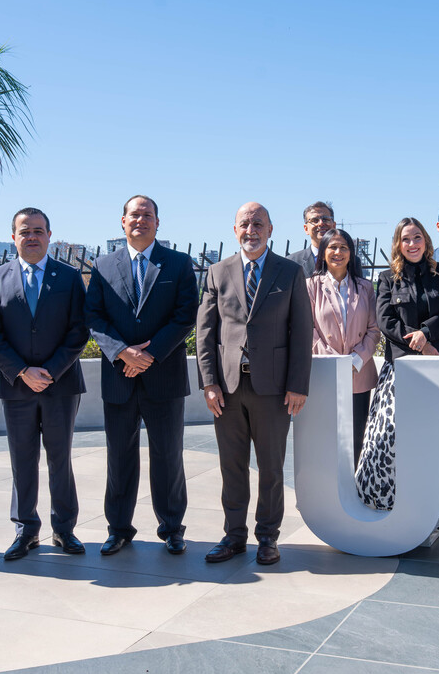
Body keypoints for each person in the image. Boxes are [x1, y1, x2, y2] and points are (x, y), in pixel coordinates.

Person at [197, 201, 312, 566]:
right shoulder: (218, 272)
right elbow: (205, 332)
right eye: (245, 223)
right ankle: (233, 536)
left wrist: (298, 384)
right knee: (232, 467)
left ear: (271, 229)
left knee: (271, 468)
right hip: (227, 390)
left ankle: (267, 538)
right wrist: (209, 382)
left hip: (273, 389)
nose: (251, 229)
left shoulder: (290, 272)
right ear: (235, 230)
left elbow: (301, 331)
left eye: (258, 223)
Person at [85, 195, 198, 556]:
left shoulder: (179, 264)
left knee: (168, 455)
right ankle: (118, 528)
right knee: (119, 456)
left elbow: (185, 315)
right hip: (118, 377)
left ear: (158, 223)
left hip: (163, 375)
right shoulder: (102, 266)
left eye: (147, 215)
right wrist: (122, 352)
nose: (141, 220)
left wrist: (148, 354)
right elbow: (94, 317)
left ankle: (172, 528)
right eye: (134, 215)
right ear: (122, 221)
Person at [0, 207, 89, 560]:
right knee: (22, 459)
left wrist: (51, 371)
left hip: (61, 385)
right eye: (24, 231)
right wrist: (23, 371)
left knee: (60, 458)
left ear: (49, 236)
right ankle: (25, 529)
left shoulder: (70, 278)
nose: (32, 237)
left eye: (38, 231)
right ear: (13, 237)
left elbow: (78, 332)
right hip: (16, 386)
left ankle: (64, 530)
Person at [357, 217, 439, 531]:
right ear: (398, 243)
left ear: (426, 241)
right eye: (406, 239)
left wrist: (427, 334)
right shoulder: (386, 278)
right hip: (401, 369)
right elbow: (385, 320)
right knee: (389, 438)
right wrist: (419, 343)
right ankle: (389, 502)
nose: (412, 244)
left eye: (417, 238)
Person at [306, 228, 381, 461]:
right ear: (323, 252)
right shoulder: (311, 286)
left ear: (351, 253)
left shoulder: (366, 287)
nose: (338, 252)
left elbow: (374, 330)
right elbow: (308, 329)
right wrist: (334, 361)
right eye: (332, 247)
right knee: (327, 435)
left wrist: (355, 360)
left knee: (356, 436)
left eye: (344, 247)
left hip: (358, 373)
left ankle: (353, 490)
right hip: (325, 371)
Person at [286, 201, 336, 277]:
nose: (321, 223)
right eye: (314, 220)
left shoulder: (351, 261)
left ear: (334, 225)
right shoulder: (291, 262)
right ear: (306, 229)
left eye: (325, 219)